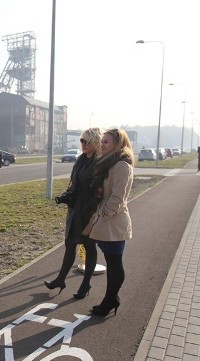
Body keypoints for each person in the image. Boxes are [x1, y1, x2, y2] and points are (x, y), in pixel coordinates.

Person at [45, 128, 102, 299]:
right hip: (75, 208)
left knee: (89, 245)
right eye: (82, 141)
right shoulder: (81, 159)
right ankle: (61, 279)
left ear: (96, 142)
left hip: (89, 210)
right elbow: (75, 184)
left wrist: (92, 207)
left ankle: (86, 284)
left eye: (87, 141)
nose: (83, 144)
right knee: (70, 243)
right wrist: (67, 195)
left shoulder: (99, 163)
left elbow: (100, 190)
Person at [82, 128, 134, 316]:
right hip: (105, 220)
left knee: (114, 263)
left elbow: (118, 197)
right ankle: (112, 299)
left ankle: (110, 300)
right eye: (102, 141)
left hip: (114, 221)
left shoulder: (122, 165)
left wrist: (103, 214)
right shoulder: (108, 162)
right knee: (111, 261)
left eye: (106, 142)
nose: (102, 145)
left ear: (118, 143)